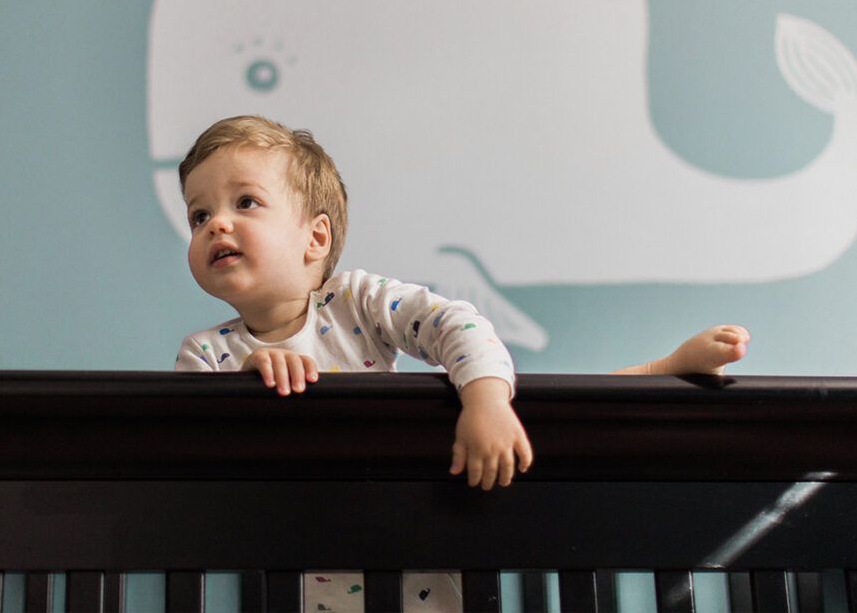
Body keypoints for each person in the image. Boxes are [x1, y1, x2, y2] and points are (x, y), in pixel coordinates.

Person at [172, 114, 749, 612]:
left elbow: (458, 324)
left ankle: (660, 374)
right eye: (199, 216)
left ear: (315, 238)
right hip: (311, 572)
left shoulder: (355, 301)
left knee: (537, 416)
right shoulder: (207, 355)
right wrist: (241, 394)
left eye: (245, 202)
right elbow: (190, 465)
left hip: (426, 529)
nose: (216, 223)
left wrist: (485, 400)